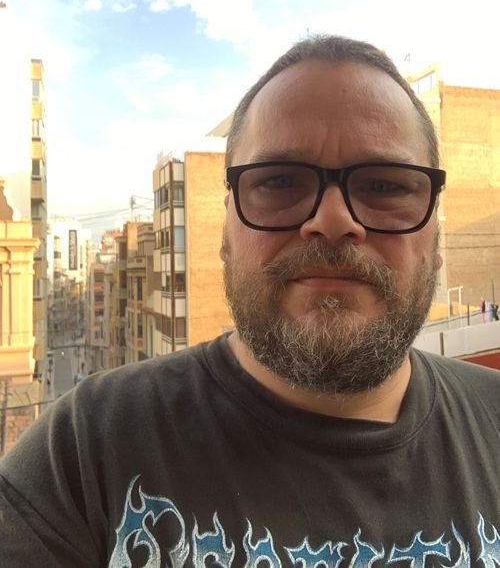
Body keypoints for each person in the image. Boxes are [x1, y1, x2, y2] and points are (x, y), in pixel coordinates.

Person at [1, 35, 499, 567]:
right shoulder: (82, 454)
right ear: (225, 233)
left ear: (436, 236)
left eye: (385, 185)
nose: (332, 221)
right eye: (280, 181)